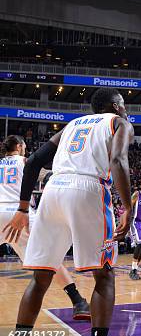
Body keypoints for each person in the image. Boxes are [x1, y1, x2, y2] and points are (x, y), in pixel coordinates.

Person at [3, 87, 134, 336]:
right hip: (88, 189)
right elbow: (118, 160)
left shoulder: (72, 125)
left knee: (40, 278)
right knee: (104, 275)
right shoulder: (120, 123)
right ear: (116, 106)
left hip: (52, 192)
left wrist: (22, 208)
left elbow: (33, 163)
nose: (125, 109)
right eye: (123, 105)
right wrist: (128, 207)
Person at [0, 135, 91, 321]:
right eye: (24, 145)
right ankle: (78, 302)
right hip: (20, 212)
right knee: (49, 259)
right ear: (19, 146)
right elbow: (47, 176)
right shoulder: (25, 161)